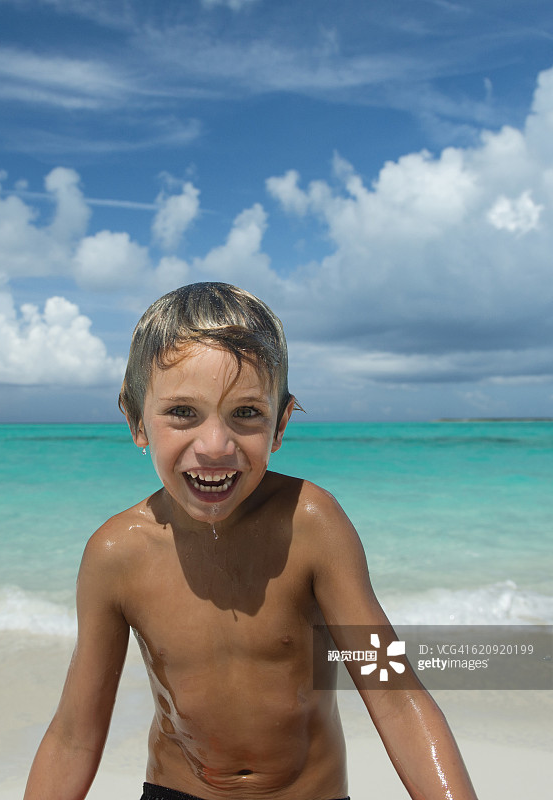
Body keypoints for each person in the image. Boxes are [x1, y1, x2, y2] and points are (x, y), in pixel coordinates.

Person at [24, 282, 477, 800]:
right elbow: (75, 735)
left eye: (245, 414)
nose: (215, 446)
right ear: (136, 420)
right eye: (182, 413)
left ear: (280, 423)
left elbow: (396, 695)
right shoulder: (116, 555)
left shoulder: (311, 525)